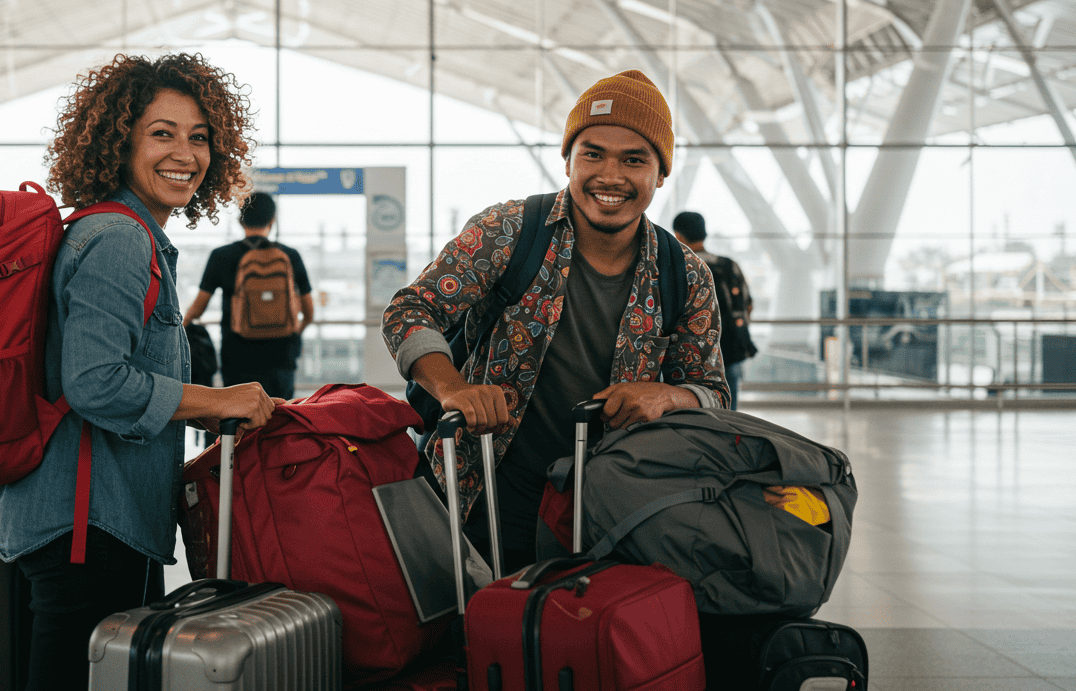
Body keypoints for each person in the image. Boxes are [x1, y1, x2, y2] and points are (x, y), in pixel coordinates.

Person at [0, 52, 280, 691]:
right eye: (162, 133)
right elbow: (94, 381)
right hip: (86, 521)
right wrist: (213, 400)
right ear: (117, 142)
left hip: (91, 513)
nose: (186, 152)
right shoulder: (121, 239)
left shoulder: (118, 231)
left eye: (200, 137)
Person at [382, 70, 732, 573]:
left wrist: (668, 396)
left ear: (660, 174)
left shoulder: (684, 274)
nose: (610, 176)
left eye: (634, 159)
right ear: (567, 159)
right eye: (592, 153)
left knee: (583, 642)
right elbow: (411, 310)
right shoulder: (510, 231)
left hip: (613, 510)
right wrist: (453, 388)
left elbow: (712, 391)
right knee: (473, 641)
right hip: (480, 494)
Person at [184, 191, 315, 402]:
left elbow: (198, 307)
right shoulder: (290, 256)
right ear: (272, 220)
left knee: (238, 422)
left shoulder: (222, 256)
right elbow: (309, 313)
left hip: (237, 355)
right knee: (279, 420)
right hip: (281, 356)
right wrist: (294, 333)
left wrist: (183, 327)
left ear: (240, 220)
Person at [672, 211, 757, 410]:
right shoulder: (729, 266)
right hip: (729, 347)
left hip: (689, 353)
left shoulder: (679, 265)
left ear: (678, 235)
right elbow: (748, 304)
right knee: (728, 404)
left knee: (691, 404)